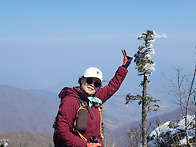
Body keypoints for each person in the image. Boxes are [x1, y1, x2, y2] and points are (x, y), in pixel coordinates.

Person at [55, 50, 132, 147]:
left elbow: (112, 86)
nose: (92, 85)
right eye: (89, 80)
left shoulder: (96, 98)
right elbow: (62, 131)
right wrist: (85, 145)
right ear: (81, 79)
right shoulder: (71, 100)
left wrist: (124, 67)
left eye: (96, 84)